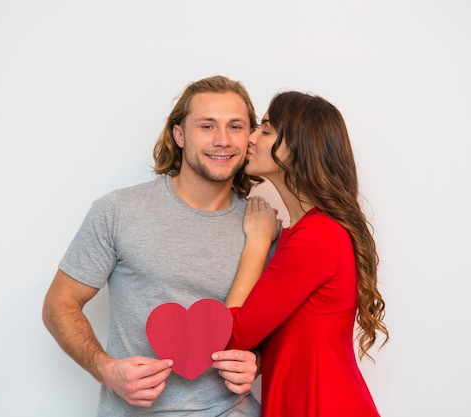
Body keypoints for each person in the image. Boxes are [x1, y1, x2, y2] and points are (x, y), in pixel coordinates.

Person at [42, 75, 264, 416]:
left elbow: (277, 328)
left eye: (235, 126)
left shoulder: (262, 228)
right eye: (207, 126)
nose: (222, 140)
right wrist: (104, 369)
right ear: (179, 134)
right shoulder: (118, 211)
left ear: (250, 137)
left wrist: (257, 363)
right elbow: (60, 302)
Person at [224, 91, 390, 417]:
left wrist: (257, 242)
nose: (251, 138)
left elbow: (233, 335)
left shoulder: (317, 237)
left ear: (298, 148)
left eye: (266, 130)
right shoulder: (306, 233)